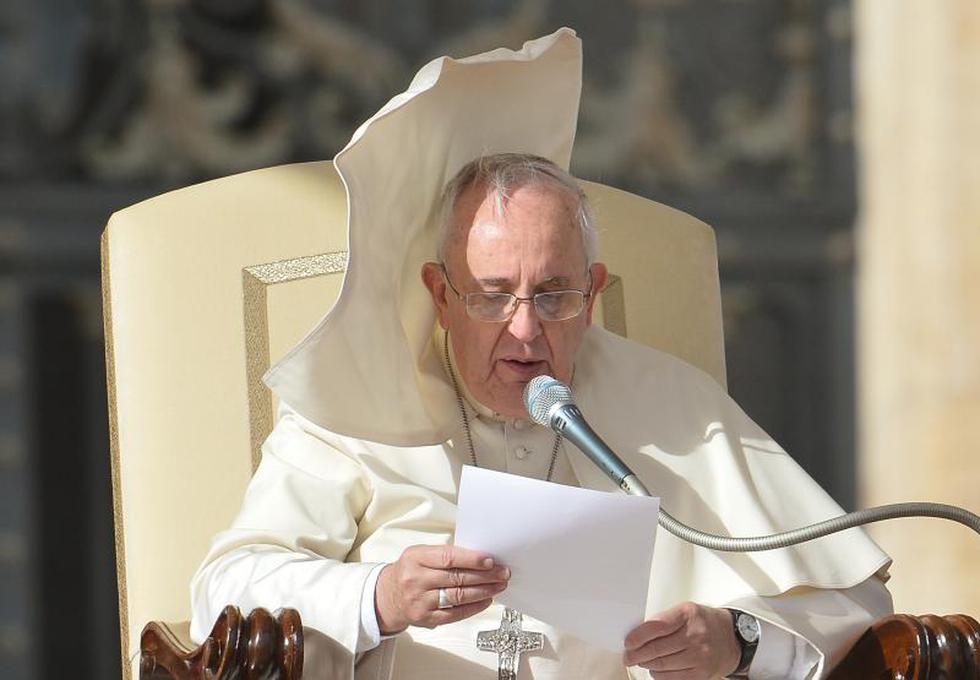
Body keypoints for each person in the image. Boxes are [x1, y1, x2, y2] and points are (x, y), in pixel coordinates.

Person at [190, 30, 892, 679]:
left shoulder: (675, 404)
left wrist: (737, 639)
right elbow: (222, 592)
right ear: (440, 293)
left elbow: (857, 604)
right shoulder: (355, 402)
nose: (525, 332)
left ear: (592, 292)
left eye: (554, 295)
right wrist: (380, 595)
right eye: (492, 297)